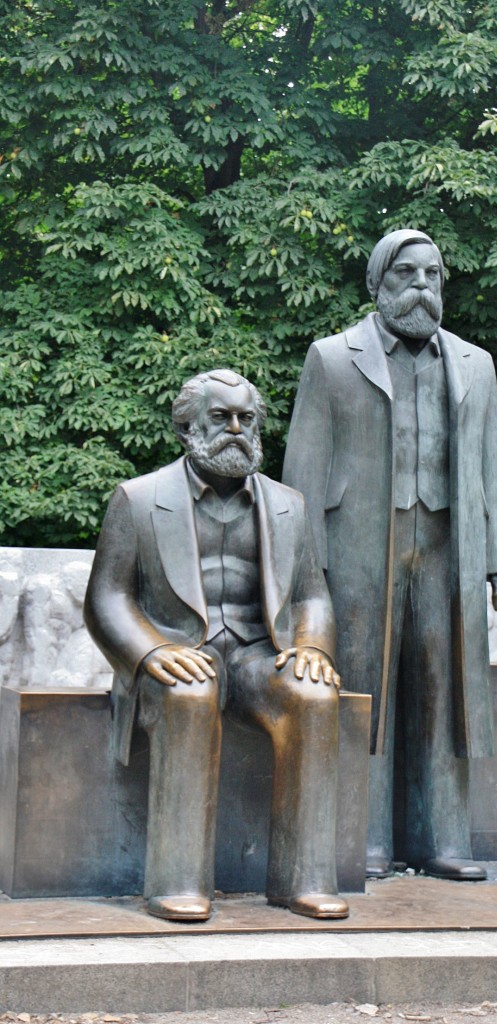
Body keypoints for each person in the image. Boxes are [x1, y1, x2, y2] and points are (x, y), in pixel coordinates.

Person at [283, 229, 497, 881]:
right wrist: (302, 570)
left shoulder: (475, 365)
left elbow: (491, 468)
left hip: (448, 547)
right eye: (406, 274)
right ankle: (364, 838)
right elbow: (302, 470)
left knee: (445, 690)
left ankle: (441, 839)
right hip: (360, 545)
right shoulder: (332, 359)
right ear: (377, 284)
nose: (422, 285)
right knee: (365, 687)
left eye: (433, 275)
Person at [85, 369, 348, 921]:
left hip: (257, 655)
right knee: (189, 689)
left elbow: (312, 598)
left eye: (245, 418)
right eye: (220, 417)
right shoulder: (137, 499)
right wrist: (152, 653)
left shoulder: (288, 506)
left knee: (315, 696)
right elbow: (108, 599)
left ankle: (304, 880)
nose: (235, 428)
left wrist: (314, 649)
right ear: (187, 427)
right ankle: (176, 881)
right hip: (177, 651)